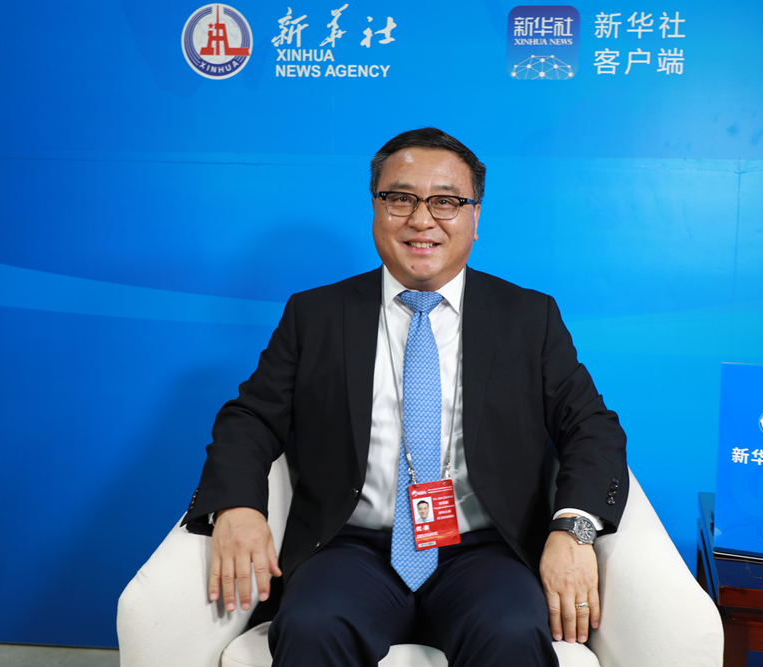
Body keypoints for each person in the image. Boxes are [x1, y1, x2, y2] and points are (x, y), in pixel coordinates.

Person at [182, 128, 628, 667]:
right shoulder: (315, 314)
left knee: (511, 632)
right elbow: (250, 418)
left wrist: (574, 528)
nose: (421, 219)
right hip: (351, 547)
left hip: (483, 551)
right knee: (311, 627)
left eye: (446, 202)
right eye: (400, 198)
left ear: (475, 217)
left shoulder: (528, 318)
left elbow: (591, 428)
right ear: (376, 208)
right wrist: (238, 505)